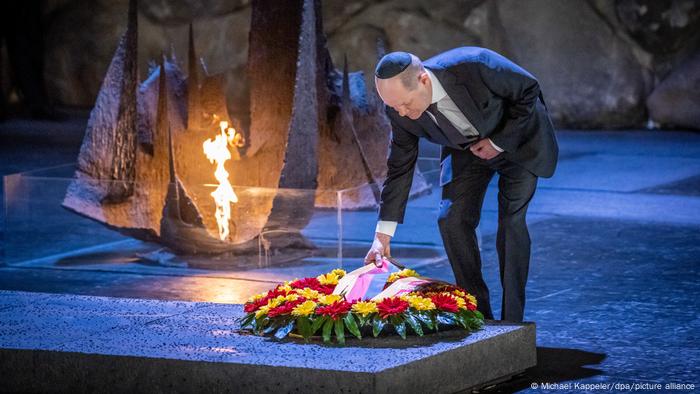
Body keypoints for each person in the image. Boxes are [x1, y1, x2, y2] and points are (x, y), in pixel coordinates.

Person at [364, 47, 558, 322]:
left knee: (511, 223)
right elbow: (400, 167)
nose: (402, 114)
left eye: (405, 104)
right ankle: (479, 314)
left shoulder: (473, 66)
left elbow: (529, 89)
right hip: (467, 149)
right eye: (394, 107)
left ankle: (513, 322)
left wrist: (498, 142)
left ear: (423, 80)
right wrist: (381, 237)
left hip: (516, 142)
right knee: (451, 220)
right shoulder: (399, 108)